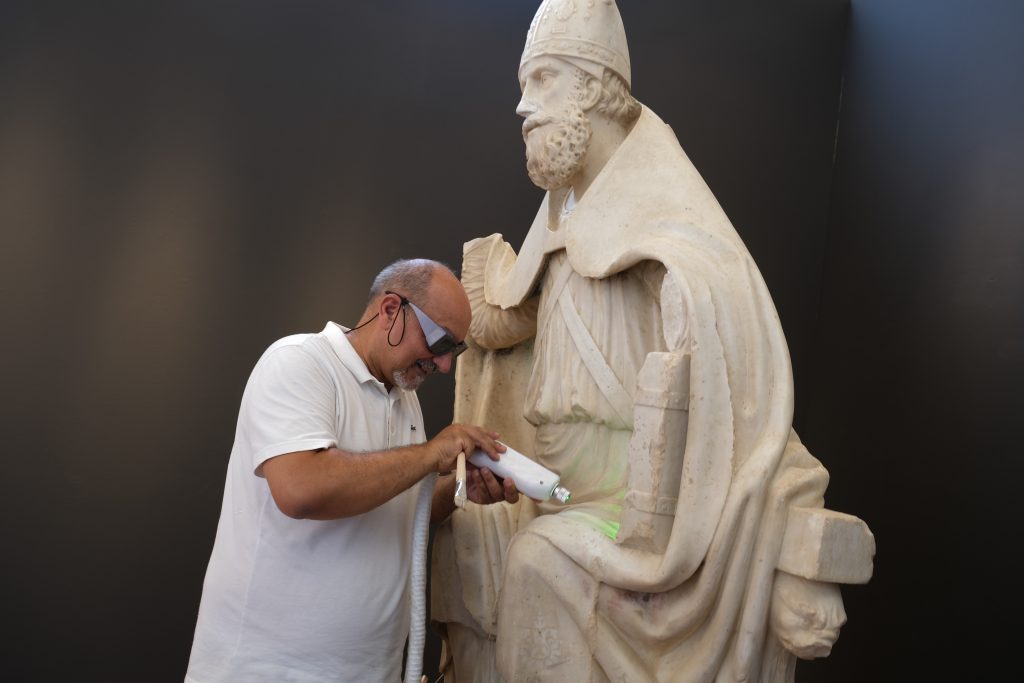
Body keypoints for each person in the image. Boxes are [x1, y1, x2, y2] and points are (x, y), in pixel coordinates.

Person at [430, 1, 873, 681]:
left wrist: (792, 496)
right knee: (468, 546)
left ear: (593, 87)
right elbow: (500, 319)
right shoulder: (563, 212)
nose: (523, 105)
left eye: (543, 79)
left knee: (535, 562)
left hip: (641, 523)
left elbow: (740, 387)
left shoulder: (679, 238)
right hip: (555, 489)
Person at [186, 259, 518, 683]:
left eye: (454, 349)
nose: (445, 365)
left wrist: (457, 487)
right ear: (390, 310)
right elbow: (301, 488)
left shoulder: (405, 400)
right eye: (438, 341)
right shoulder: (299, 364)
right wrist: (431, 453)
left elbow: (399, 506)